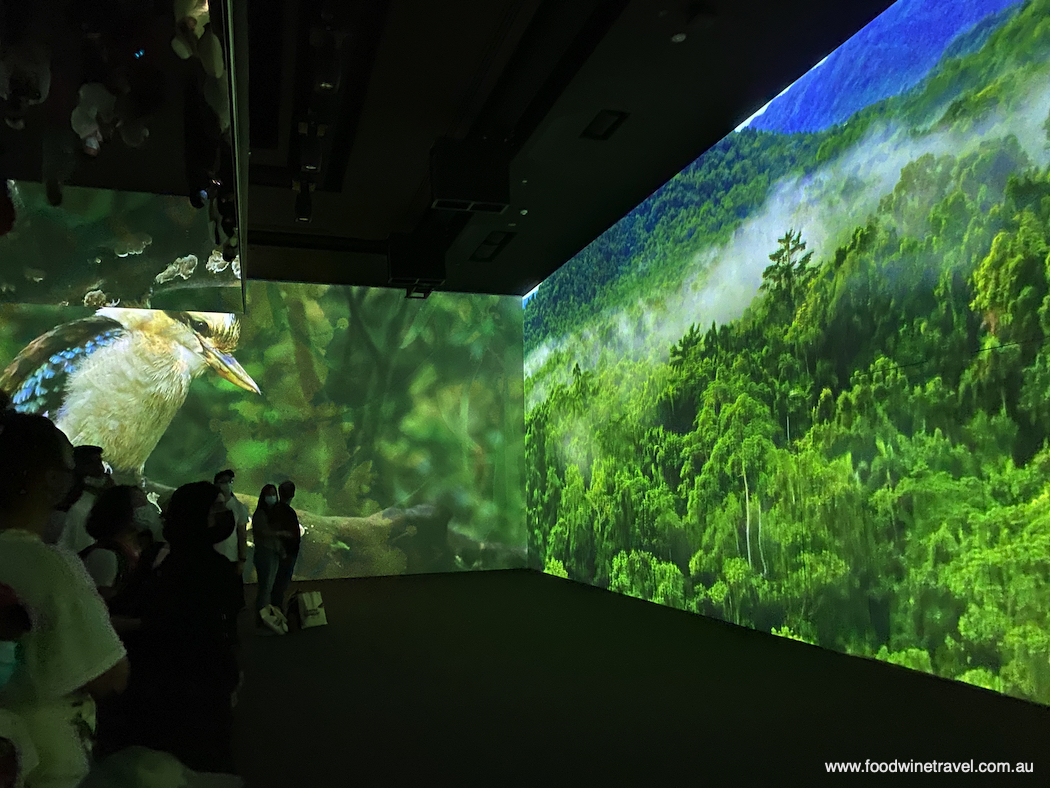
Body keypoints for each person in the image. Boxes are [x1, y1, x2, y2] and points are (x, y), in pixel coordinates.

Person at [0, 412, 129, 788]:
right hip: (40, 765)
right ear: (51, 480)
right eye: (69, 466)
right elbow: (111, 676)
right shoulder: (52, 568)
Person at [119, 482, 242, 774]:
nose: (224, 513)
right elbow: (215, 632)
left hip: (157, 680)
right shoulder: (214, 569)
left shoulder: (161, 557)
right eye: (217, 507)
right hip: (193, 686)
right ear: (196, 514)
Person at [56, 446, 111, 555]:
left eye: (99, 463)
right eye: (92, 464)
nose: (100, 469)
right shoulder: (80, 510)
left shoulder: (92, 504)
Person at [250, 484, 282, 632]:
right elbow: (262, 532)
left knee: (268, 588)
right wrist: (281, 533)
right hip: (264, 553)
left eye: (274, 494)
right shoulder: (260, 514)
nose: (272, 497)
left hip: (273, 552)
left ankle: (266, 619)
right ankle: (261, 621)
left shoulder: (273, 513)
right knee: (264, 589)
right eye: (269, 494)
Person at [212, 470, 249, 588]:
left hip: (231, 558)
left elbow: (242, 534)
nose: (227, 484)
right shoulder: (209, 505)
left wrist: (242, 559)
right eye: (223, 482)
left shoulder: (239, 507)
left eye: (230, 481)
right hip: (212, 557)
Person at [270, 481, 301, 616]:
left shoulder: (274, 509)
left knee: (276, 584)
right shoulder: (288, 512)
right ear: (293, 495)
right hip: (286, 555)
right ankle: (277, 612)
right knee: (280, 585)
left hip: (279, 553)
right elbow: (290, 534)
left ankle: (274, 609)